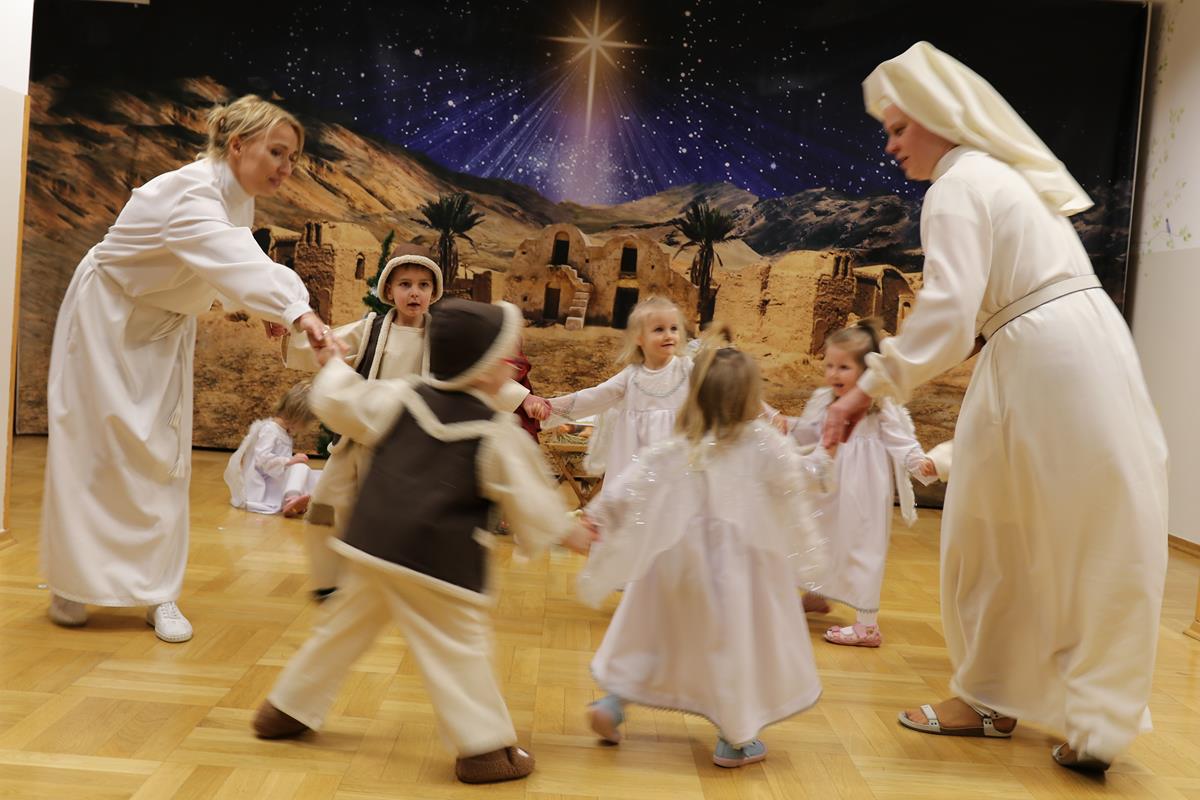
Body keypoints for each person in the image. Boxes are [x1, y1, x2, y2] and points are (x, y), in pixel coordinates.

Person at [821, 41, 1168, 771]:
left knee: (988, 530)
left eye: (898, 128)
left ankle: (988, 698)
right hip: (1084, 345)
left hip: (1041, 357)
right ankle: (1095, 721)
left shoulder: (957, 185)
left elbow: (949, 317)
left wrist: (866, 389)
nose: (890, 146)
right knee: (1093, 527)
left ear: (939, 118)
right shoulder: (1003, 177)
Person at [252, 298, 592, 785]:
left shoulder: (402, 396)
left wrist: (331, 364)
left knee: (341, 630)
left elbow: (342, 399)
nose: (512, 366)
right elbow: (531, 502)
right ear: (484, 368)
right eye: (506, 357)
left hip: (373, 546)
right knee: (456, 649)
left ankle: (286, 708)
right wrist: (574, 533)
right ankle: (485, 749)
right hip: (438, 565)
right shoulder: (495, 433)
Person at [42, 94, 329, 643]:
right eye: (277, 152)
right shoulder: (190, 191)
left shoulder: (236, 198)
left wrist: (266, 309)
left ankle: (158, 590)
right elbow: (225, 252)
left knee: (163, 456)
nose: (286, 167)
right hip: (107, 318)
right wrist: (296, 310)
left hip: (163, 327)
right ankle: (73, 583)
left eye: (293, 157)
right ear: (237, 145)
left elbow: (225, 260)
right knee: (93, 450)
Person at [577, 335, 831, 768]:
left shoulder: (681, 442)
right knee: (732, 647)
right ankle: (734, 737)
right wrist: (823, 464)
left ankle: (614, 703)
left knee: (659, 633)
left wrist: (595, 517)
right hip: (741, 570)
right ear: (750, 396)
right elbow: (796, 484)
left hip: (677, 560)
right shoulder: (765, 443)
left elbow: (630, 485)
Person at [780, 319, 937, 647]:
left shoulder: (881, 408)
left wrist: (919, 462)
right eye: (829, 365)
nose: (833, 374)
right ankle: (818, 592)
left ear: (867, 372)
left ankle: (867, 626)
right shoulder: (824, 399)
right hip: (828, 488)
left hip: (863, 493)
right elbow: (810, 433)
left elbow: (903, 442)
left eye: (844, 367)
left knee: (861, 548)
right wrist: (783, 424)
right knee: (820, 535)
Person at [546, 296, 691, 496]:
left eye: (674, 328)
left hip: (673, 461)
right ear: (639, 338)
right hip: (634, 462)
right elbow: (594, 397)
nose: (669, 335)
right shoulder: (631, 377)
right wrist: (548, 408)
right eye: (659, 329)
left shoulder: (687, 369)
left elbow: (713, 395)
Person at [224, 381, 320, 517]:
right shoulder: (270, 430)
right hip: (266, 482)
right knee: (300, 468)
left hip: (275, 475)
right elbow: (262, 460)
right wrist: (289, 461)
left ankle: (296, 499)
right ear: (297, 417)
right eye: (305, 423)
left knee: (313, 473)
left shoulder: (283, 431)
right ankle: (291, 499)